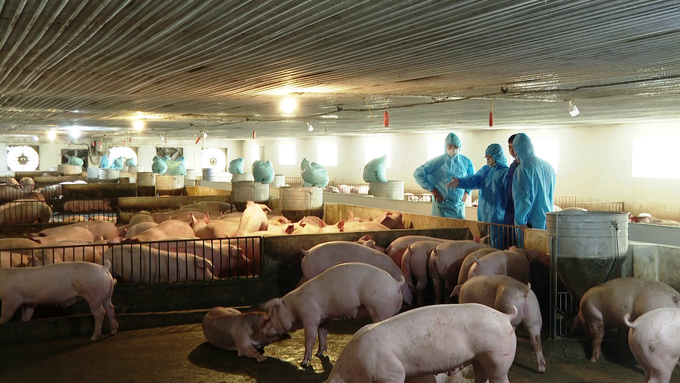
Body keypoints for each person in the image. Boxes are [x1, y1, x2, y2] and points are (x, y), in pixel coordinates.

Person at [446, 143, 509, 248]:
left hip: (499, 217)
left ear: (497, 157)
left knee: (497, 245)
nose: (488, 161)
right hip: (484, 215)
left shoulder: (505, 173)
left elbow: (509, 196)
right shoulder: (485, 170)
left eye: (490, 158)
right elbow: (474, 179)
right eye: (487, 158)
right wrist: (460, 182)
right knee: (485, 243)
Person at [413, 133, 474, 219]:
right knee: (441, 229)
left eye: (455, 147)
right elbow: (418, 173)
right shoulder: (438, 161)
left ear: (459, 147)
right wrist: (433, 190)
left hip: (459, 206)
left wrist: (467, 191)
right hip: (442, 205)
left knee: (459, 230)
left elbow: (473, 178)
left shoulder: (465, 161)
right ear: (445, 147)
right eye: (450, 147)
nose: (453, 149)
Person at [512, 133, 556, 230]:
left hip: (530, 224)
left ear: (517, 149)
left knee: (530, 245)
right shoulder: (548, 166)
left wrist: (521, 222)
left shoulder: (523, 169)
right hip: (547, 220)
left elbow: (522, 198)